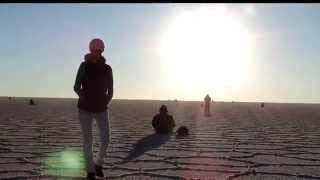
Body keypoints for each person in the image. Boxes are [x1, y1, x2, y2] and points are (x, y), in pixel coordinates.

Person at [74, 38, 113, 180]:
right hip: (84, 109)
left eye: (99, 50)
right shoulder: (84, 66)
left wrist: (104, 102)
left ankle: (98, 163)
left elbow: (111, 90)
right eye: (94, 50)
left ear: (102, 51)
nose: (97, 53)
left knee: (106, 139)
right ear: (91, 50)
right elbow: (76, 86)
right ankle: (90, 171)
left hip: (101, 109)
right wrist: (84, 98)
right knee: (88, 139)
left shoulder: (107, 68)